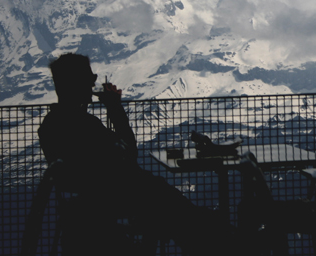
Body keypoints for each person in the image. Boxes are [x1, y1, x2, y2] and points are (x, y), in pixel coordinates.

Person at [37, 53, 238, 256]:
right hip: (120, 198)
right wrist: (115, 108)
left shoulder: (50, 125)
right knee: (183, 215)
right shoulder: (83, 125)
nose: (93, 83)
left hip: (96, 201)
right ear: (76, 83)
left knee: (181, 212)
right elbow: (129, 153)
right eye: (90, 78)